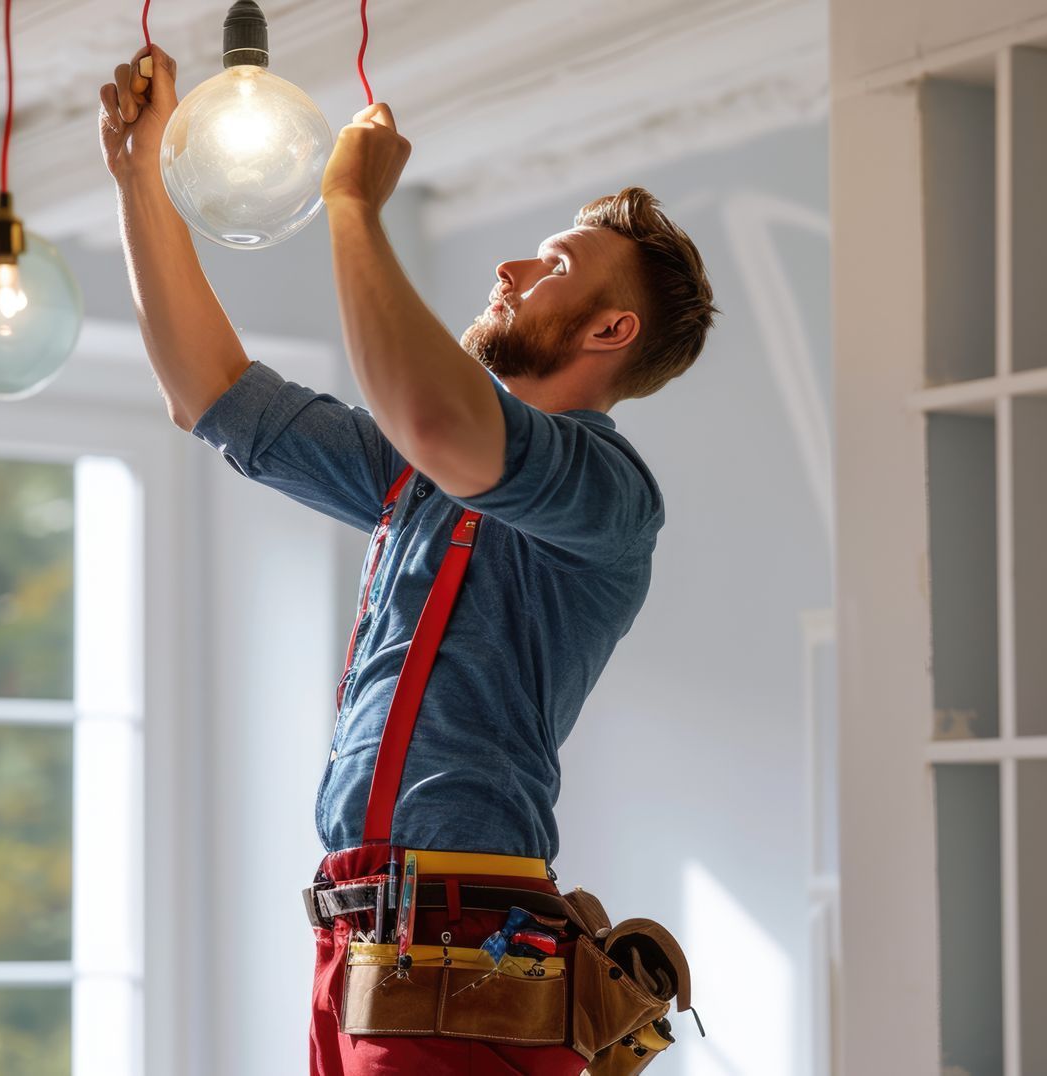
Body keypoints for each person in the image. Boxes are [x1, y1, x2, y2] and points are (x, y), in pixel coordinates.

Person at [101, 41, 715, 1076]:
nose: (511, 267)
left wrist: (353, 202)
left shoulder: (608, 495)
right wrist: (139, 173)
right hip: (357, 939)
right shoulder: (415, 476)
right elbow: (208, 392)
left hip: (466, 946)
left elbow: (442, 418)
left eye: (552, 266)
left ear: (612, 329)